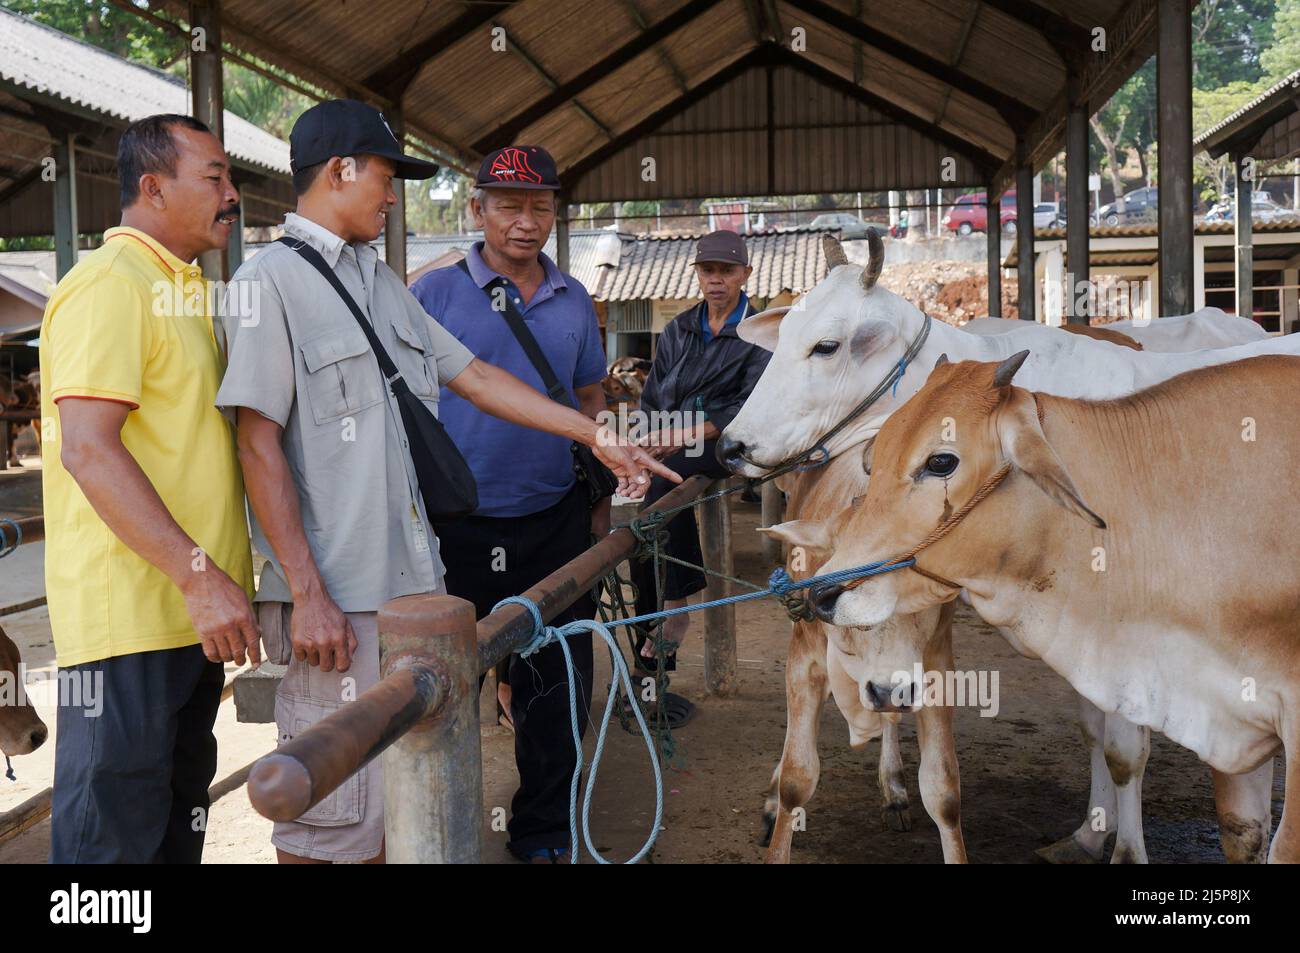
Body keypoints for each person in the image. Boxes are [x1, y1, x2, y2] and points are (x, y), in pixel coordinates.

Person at [218, 104, 674, 865]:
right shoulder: (267, 284)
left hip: (413, 584)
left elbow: (477, 375)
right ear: (342, 171)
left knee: (400, 790)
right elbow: (255, 442)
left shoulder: (379, 281)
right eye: (388, 178)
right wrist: (306, 593)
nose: (394, 197)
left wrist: (592, 432)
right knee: (329, 808)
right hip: (339, 593)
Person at [42, 114, 258, 863]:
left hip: (185, 620)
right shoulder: (110, 286)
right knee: (110, 842)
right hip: (129, 623)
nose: (233, 195)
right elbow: (89, 451)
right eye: (216, 178)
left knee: (169, 830)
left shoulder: (183, 292)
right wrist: (200, 578)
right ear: (153, 187)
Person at [410, 145, 618, 863]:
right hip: (454, 528)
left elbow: (589, 399)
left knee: (555, 679)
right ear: (477, 211)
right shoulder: (430, 294)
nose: (525, 222)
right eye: (508, 205)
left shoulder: (575, 299)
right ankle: (440, 826)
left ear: (555, 211)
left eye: (539, 206)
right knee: (441, 684)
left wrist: (598, 500)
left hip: (555, 516)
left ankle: (542, 831)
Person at [629, 230, 771, 724]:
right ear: (697, 273)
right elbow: (652, 399)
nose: (716, 279)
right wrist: (645, 438)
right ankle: (655, 631)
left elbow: (752, 407)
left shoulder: (761, 331)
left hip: (731, 445)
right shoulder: (680, 329)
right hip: (675, 439)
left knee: (663, 481)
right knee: (640, 503)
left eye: (726, 271)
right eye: (708, 270)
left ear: (745, 275)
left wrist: (686, 429)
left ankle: (673, 608)